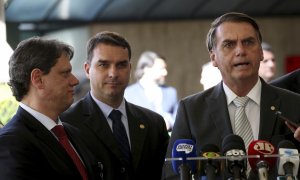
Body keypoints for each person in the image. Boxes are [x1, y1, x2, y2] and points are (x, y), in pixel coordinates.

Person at [164, 12, 300, 180]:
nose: (241, 51)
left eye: (249, 42)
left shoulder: (293, 103)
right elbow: (172, 174)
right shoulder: (191, 109)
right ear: (213, 57)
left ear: (261, 52)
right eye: (229, 44)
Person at [61, 31, 169, 180]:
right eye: (103, 65)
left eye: (121, 65)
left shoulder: (154, 123)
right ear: (87, 69)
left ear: (130, 69)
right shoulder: (66, 124)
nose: (113, 73)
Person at [0, 37, 100, 179]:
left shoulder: (74, 133)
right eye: (65, 73)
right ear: (38, 79)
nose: (75, 81)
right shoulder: (10, 143)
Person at [124, 51, 178, 131]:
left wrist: (169, 122)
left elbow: (179, 119)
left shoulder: (171, 92)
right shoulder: (128, 94)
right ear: (146, 69)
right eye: (161, 68)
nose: (165, 72)